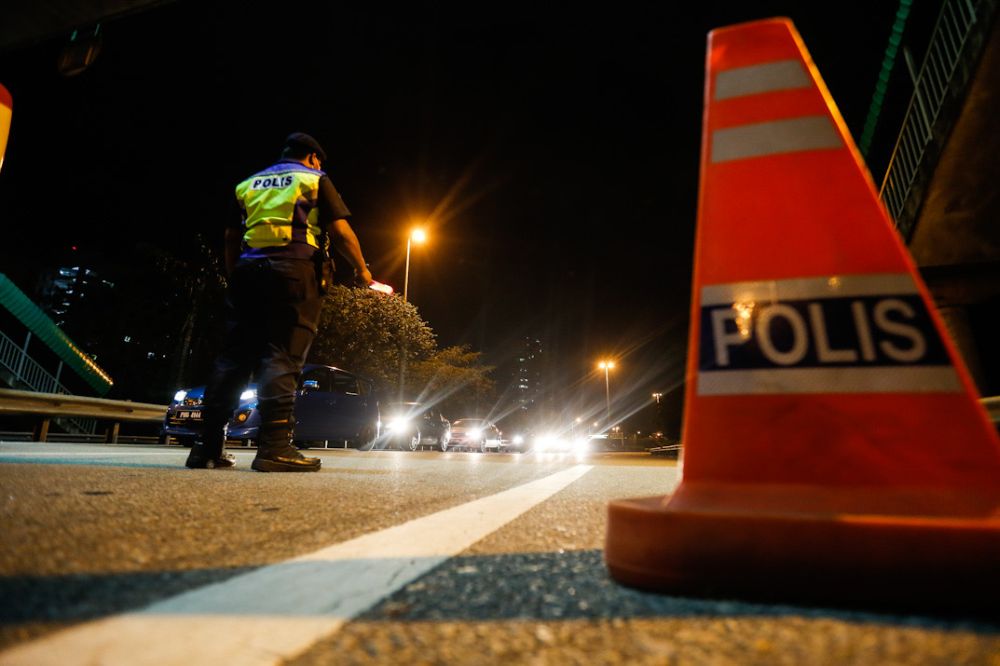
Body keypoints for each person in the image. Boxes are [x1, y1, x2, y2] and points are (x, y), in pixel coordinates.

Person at [186, 132, 373, 472]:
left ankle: (206, 446)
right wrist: (362, 271)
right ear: (313, 157)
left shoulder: (249, 184)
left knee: (234, 358)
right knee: (282, 354)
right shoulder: (313, 178)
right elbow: (342, 232)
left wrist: (236, 276)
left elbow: (230, 236)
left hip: (247, 272)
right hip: (294, 271)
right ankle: (274, 447)